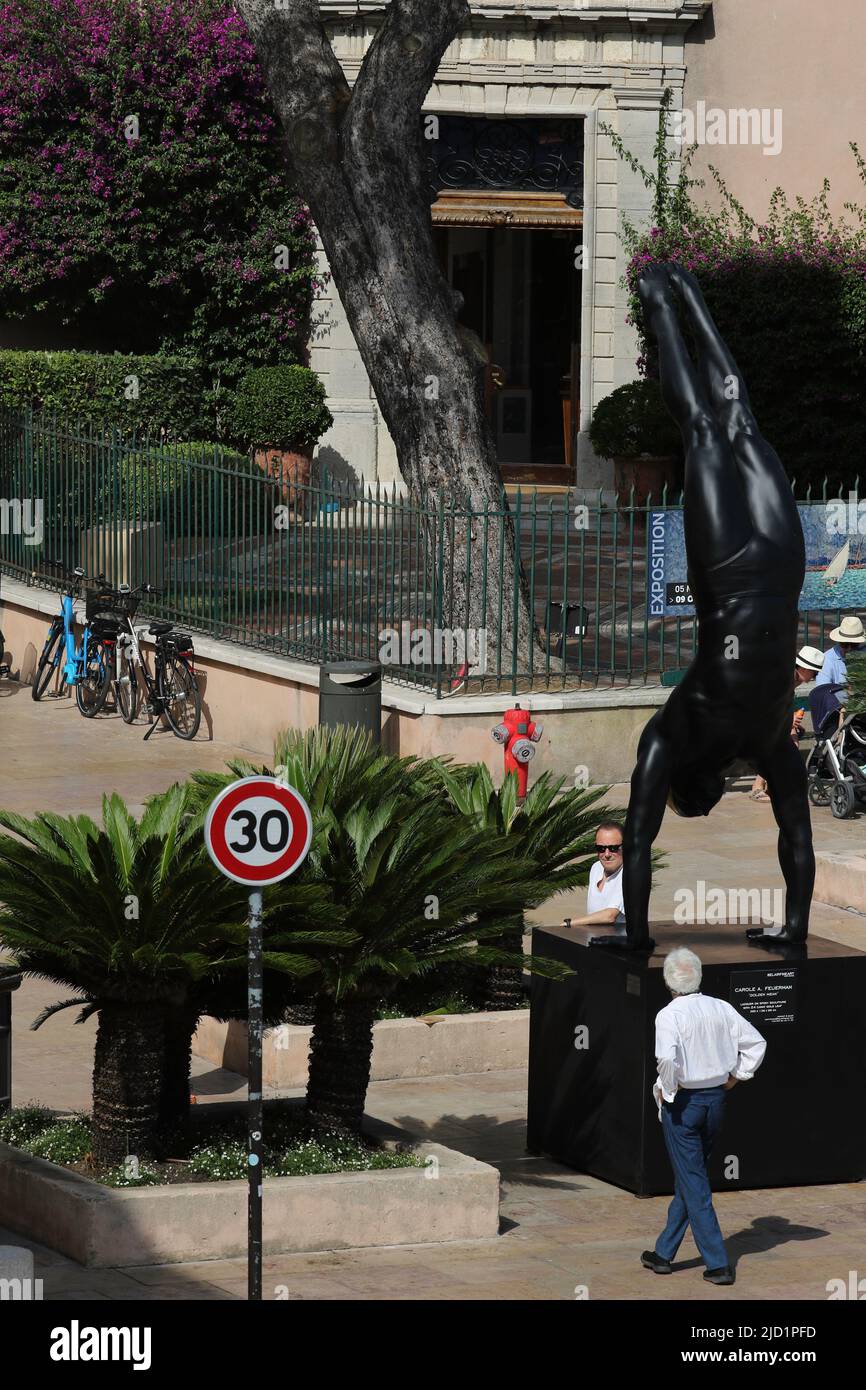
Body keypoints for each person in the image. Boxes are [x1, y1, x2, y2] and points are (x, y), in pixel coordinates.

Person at [591, 263, 814, 951]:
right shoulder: (764, 744)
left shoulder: (676, 734)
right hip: (770, 573)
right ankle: (683, 297)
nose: (715, 800)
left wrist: (634, 939)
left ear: (695, 784)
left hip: (756, 575)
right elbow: (795, 834)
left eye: (702, 801)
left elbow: (637, 832)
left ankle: (665, 303)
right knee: (733, 424)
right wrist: (794, 930)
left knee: (712, 431)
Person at [641, 947, 767, 1286]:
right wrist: (736, 1076)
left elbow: (666, 1061)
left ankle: (717, 1263)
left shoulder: (669, 1015)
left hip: (685, 1104)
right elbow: (756, 1043)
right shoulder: (721, 1008)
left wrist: (669, 1091)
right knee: (690, 1176)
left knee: (694, 1182)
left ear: (668, 982)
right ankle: (664, 1253)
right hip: (715, 1100)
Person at [750, 646, 824, 801]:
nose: (814, 676)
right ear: (803, 667)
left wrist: (791, 723)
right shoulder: (784, 678)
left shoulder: (793, 679)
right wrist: (789, 720)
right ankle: (758, 786)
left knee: (791, 741)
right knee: (782, 743)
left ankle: (771, 784)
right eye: (813, 671)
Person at [562, 821, 625, 930]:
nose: (606, 854)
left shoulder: (629, 874)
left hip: (618, 945)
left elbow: (609, 916)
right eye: (601, 848)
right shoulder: (596, 868)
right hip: (594, 942)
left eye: (613, 848)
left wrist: (570, 923)